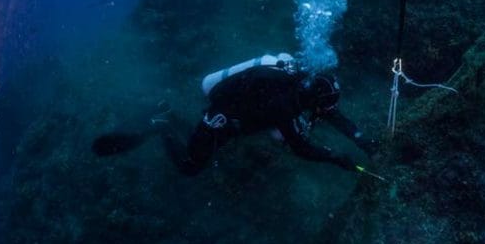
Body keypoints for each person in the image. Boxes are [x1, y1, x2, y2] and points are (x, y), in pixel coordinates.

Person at [93, 56, 375, 176]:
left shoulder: (306, 82)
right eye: (324, 106)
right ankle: (162, 126)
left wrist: (364, 143)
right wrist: (336, 158)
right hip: (225, 113)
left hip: (244, 114)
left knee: (222, 137)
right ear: (314, 98)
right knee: (191, 166)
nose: (327, 112)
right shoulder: (284, 104)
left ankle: (170, 115)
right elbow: (300, 147)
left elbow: (333, 115)